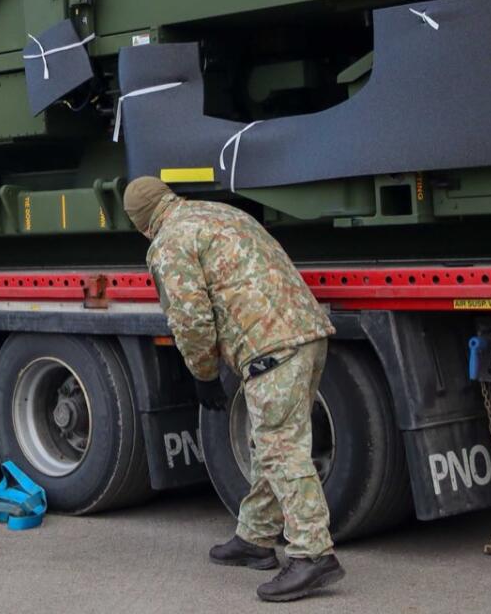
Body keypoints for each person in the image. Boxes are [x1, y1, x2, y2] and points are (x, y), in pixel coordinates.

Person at [124, 176, 343, 603]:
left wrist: (203, 374)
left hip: (270, 345)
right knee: (270, 441)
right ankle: (255, 537)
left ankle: (313, 554)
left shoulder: (169, 241)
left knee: (281, 448)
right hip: (307, 332)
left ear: (141, 222)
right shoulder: (220, 213)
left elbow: (191, 318)